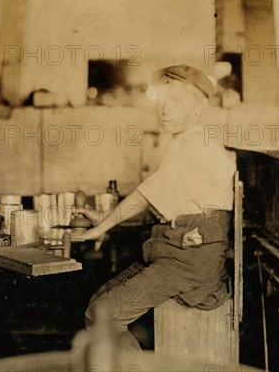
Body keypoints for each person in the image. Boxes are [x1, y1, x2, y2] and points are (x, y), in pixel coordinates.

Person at [72, 64, 237, 350]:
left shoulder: (197, 147)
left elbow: (145, 196)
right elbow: (166, 199)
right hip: (174, 251)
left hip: (190, 261)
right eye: (161, 99)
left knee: (102, 315)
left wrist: (100, 227)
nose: (165, 109)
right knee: (98, 303)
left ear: (199, 109)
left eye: (177, 101)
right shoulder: (187, 143)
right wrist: (106, 217)